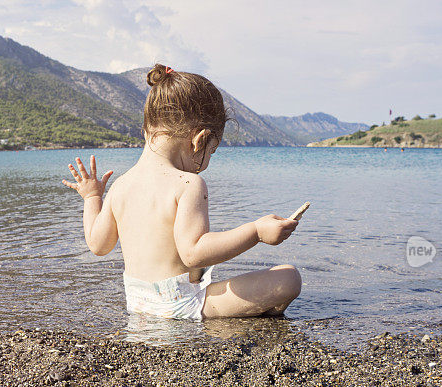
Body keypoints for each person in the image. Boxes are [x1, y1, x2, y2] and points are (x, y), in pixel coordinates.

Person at [62, 64, 301, 321]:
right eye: (212, 151)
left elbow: (98, 245)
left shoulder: (121, 185)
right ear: (199, 140)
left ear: (146, 131)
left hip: (139, 303)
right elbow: (194, 252)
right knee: (289, 278)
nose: (207, 160)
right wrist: (256, 232)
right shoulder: (188, 184)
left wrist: (92, 198)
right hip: (181, 306)